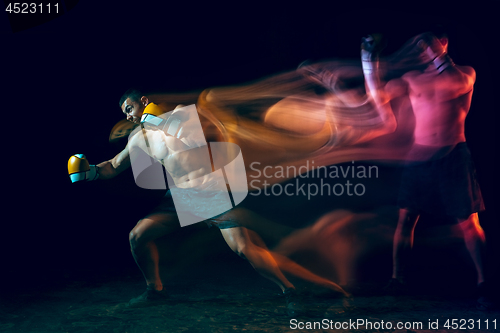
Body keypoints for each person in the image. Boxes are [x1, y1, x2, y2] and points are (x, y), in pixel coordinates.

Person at [68, 88, 349, 316]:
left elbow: (190, 138)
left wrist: (152, 119)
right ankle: (156, 291)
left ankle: (291, 290)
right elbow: (114, 165)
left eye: (129, 109)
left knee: (244, 248)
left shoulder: (181, 115)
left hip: (210, 190)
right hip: (180, 198)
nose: (128, 116)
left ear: (143, 101)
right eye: (124, 113)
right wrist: (89, 171)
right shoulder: (139, 138)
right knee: (137, 236)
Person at [360, 32, 492, 309]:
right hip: (419, 157)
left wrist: (436, 52)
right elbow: (378, 97)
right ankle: (398, 279)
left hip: (453, 155)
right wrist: (368, 60)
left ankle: (484, 281)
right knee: (405, 220)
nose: (423, 49)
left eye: (431, 44)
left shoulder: (464, 74)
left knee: (468, 223)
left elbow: (455, 83)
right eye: (421, 45)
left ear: (444, 45)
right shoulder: (412, 79)